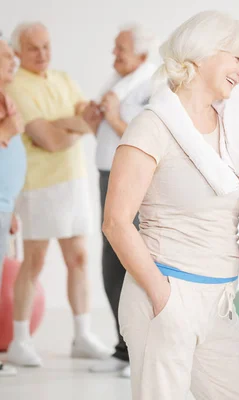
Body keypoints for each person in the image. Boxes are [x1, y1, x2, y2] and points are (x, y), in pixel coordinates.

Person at [102, 11, 239, 399]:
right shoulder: (151, 125)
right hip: (167, 293)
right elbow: (117, 223)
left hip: (218, 301)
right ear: (203, 52)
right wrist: (163, 299)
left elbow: (223, 189)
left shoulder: (229, 130)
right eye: (238, 59)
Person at [6, 22, 110, 367]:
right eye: (34, 48)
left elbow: (88, 117)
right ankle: (20, 341)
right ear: (18, 51)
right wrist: (76, 125)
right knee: (33, 262)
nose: (43, 54)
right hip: (38, 186)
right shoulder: (15, 85)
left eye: (47, 46)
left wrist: (66, 124)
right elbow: (47, 140)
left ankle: (82, 335)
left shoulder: (64, 78)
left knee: (79, 258)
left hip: (73, 180)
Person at [87, 23, 157, 379]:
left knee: (132, 260)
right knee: (111, 263)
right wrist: (93, 119)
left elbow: (146, 138)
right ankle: (122, 347)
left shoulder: (151, 85)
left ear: (142, 55)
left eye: (121, 50)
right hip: (107, 175)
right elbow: (103, 129)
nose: (114, 55)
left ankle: (139, 347)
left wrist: (112, 116)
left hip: (130, 180)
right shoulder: (117, 80)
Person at [0, 36, 26, 378]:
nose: (14, 59)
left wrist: (11, 209)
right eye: (6, 55)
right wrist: (5, 131)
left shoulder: (7, 98)